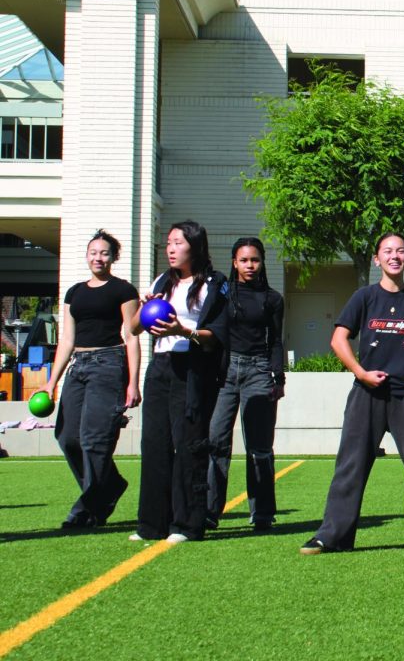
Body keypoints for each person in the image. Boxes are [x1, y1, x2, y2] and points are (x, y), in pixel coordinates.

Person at [301, 233, 404, 555]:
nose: (394, 256)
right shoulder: (364, 297)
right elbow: (338, 339)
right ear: (377, 260)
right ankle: (331, 536)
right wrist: (361, 372)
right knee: (351, 466)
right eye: (387, 251)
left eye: (401, 251)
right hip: (367, 395)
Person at [130, 220, 229, 543]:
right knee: (154, 443)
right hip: (160, 366)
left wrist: (182, 331)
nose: (170, 248)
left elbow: (215, 337)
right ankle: (151, 524)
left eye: (178, 242)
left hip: (192, 368)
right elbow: (133, 328)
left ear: (195, 246)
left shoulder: (214, 283)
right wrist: (144, 307)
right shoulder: (161, 281)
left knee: (189, 444)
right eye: (168, 243)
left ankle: (186, 524)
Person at [44, 230, 140, 529]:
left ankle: (87, 509)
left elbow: (132, 336)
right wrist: (51, 382)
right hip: (78, 367)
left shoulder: (123, 290)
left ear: (114, 257)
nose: (98, 258)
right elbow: (67, 340)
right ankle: (108, 486)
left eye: (104, 253)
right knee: (68, 437)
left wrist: (133, 382)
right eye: (93, 252)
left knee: (94, 441)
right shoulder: (74, 293)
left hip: (109, 365)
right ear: (87, 255)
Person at [206, 238, 285, 532]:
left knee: (259, 446)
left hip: (259, 370)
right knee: (215, 441)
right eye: (243, 260)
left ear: (262, 262)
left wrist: (278, 377)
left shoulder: (273, 299)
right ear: (234, 263)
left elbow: (276, 341)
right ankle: (210, 510)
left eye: (254, 260)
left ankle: (262, 513)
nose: (249, 266)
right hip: (225, 373)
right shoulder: (223, 294)